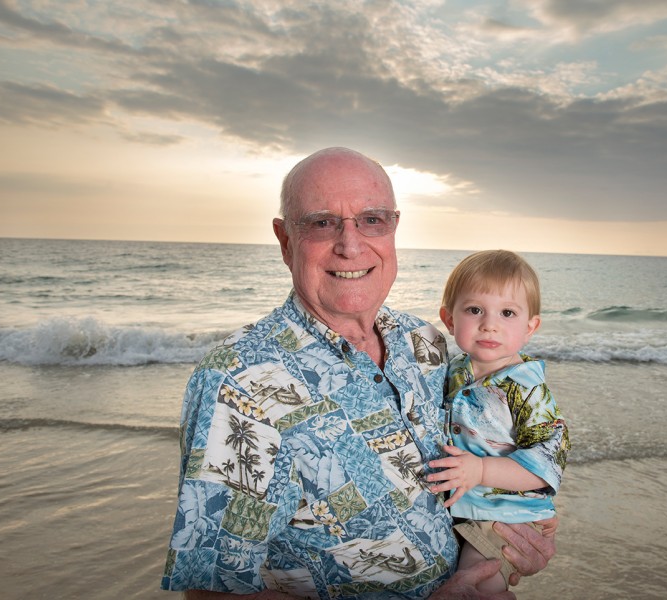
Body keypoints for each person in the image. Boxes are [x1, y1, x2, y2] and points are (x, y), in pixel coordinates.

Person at [160, 148, 556, 600]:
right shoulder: (239, 382)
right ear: (285, 240)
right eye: (322, 222)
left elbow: (472, 458)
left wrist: (516, 528)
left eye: (372, 220)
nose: (351, 245)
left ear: (393, 229)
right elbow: (214, 594)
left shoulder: (423, 342)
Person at [426, 250, 569, 593]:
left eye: (507, 313)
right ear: (449, 319)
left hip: (506, 515)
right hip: (462, 510)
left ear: (530, 326)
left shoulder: (527, 388)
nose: (489, 324)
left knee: (478, 585)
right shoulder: (453, 370)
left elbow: (548, 462)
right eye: (475, 310)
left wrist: (482, 471)